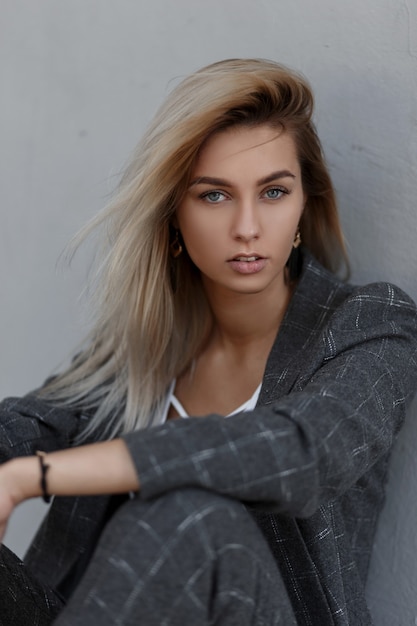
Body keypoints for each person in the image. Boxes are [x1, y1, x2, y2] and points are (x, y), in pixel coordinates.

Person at [0, 58, 416, 626]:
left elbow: (302, 454)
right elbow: (30, 423)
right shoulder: (146, 346)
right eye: (214, 196)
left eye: (273, 192)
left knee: (188, 517)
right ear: (174, 216)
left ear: (302, 208)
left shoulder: (370, 324)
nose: (247, 226)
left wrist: (38, 476)